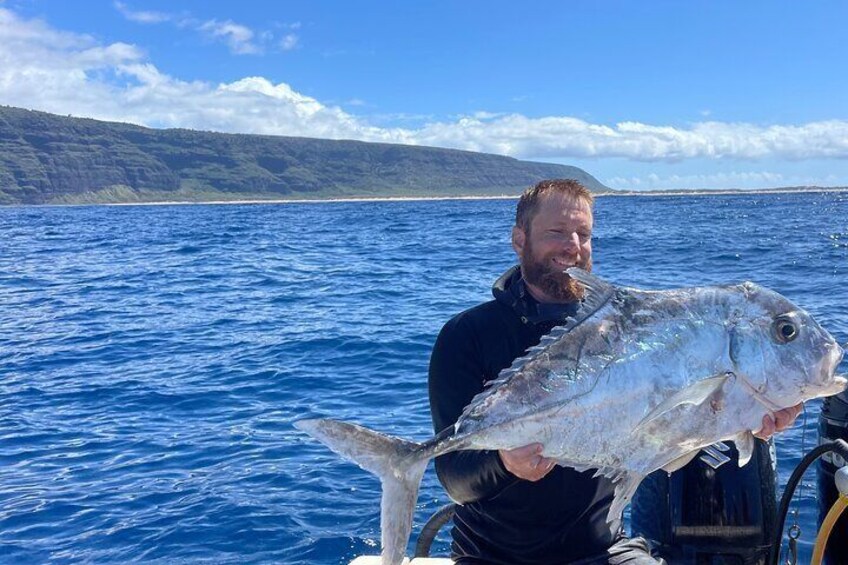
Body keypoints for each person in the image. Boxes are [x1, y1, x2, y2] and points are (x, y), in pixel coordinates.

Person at [427, 179, 802, 564]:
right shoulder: (467, 335)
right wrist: (504, 464)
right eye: (557, 232)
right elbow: (454, 476)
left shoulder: (627, 332)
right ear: (519, 239)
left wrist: (750, 414)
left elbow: (678, 418)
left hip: (603, 551)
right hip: (492, 558)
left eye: (583, 234)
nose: (573, 245)